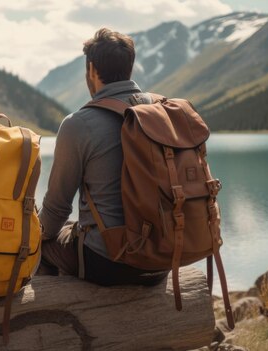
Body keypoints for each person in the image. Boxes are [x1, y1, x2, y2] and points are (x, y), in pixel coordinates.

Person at [38, 28, 168, 286]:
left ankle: (60, 321)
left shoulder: (79, 124)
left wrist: (28, 235)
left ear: (92, 71)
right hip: (161, 258)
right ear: (129, 68)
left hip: (109, 262)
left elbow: (56, 209)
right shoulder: (161, 111)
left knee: (43, 244)